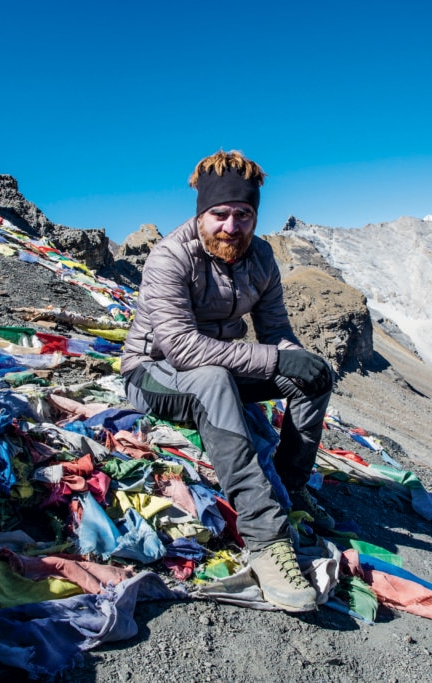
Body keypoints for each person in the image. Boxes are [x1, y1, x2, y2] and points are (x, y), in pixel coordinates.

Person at [121, 149, 335, 612]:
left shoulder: (260, 258)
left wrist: (299, 360)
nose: (231, 227)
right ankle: (265, 541)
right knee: (214, 379)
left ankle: (291, 485)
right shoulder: (170, 258)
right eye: (220, 215)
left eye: (244, 215)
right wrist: (276, 359)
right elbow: (181, 349)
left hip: (220, 369)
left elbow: (277, 334)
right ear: (202, 213)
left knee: (313, 375)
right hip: (152, 374)